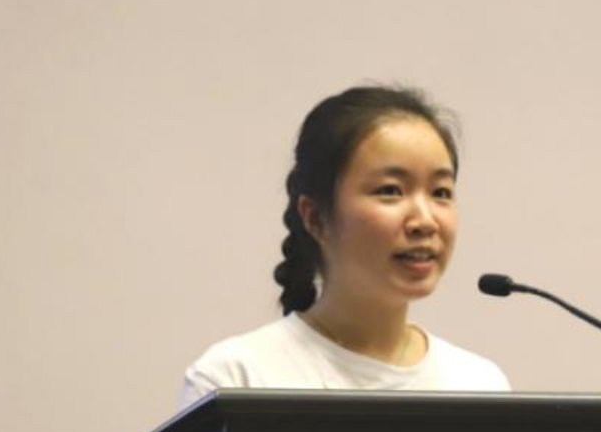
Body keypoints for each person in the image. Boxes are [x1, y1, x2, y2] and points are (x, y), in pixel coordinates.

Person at [181, 86, 510, 405]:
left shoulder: (479, 383)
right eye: (390, 190)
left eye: (440, 192)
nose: (425, 221)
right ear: (316, 218)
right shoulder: (235, 380)